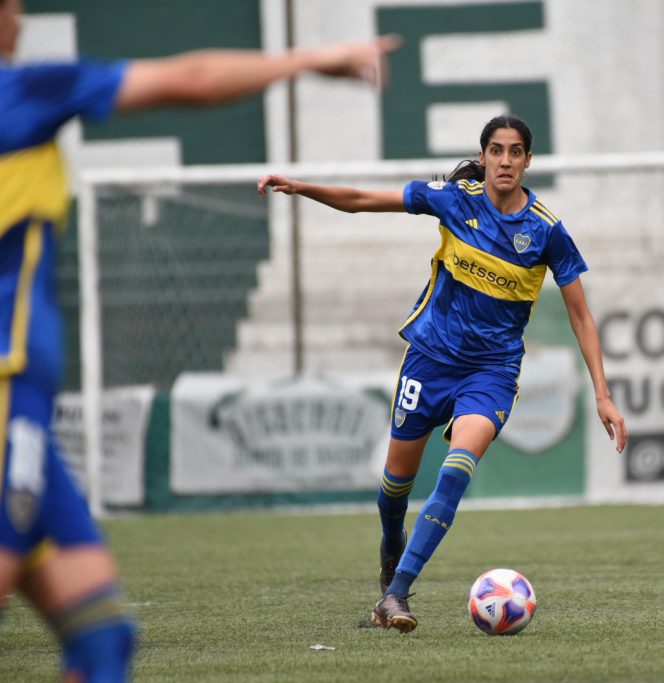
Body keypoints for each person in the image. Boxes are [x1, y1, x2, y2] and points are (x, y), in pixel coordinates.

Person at [0, 0, 400, 678]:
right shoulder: (23, 89)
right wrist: (307, 59)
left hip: (25, 396)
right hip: (7, 389)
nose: (21, 15)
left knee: (102, 639)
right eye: (12, 4)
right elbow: (191, 78)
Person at [257, 114, 629, 634]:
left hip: (492, 371)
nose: (505, 160)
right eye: (496, 150)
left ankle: (397, 594)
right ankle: (390, 562)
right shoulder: (455, 201)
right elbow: (365, 201)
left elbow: (582, 316)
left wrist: (603, 394)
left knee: (455, 473)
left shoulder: (546, 231)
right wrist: (302, 189)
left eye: (515, 151)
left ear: (527, 160)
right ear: (484, 157)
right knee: (394, 490)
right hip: (430, 360)